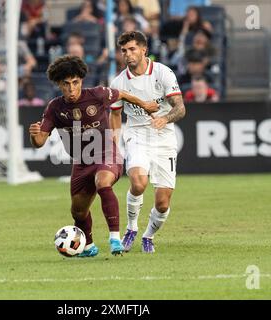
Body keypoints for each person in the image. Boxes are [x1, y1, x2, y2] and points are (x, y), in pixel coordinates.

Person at [29, 55, 158, 257]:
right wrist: (34, 135)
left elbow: (122, 94)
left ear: (81, 80)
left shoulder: (97, 94)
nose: (71, 89)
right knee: (78, 212)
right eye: (66, 84)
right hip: (81, 162)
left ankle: (115, 238)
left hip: (107, 153)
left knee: (103, 182)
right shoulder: (55, 108)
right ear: (58, 85)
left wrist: (145, 105)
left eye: (75, 83)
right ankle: (88, 247)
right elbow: (39, 142)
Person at [110, 31, 186, 253]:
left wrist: (165, 118)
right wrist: (114, 141)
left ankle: (148, 235)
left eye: (132, 49)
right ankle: (131, 228)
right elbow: (115, 114)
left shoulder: (163, 73)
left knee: (162, 203)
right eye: (124, 50)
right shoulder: (118, 82)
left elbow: (180, 108)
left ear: (144, 50)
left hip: (164, 137)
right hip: (136, 135)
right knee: (138, 182)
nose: (128, 54)